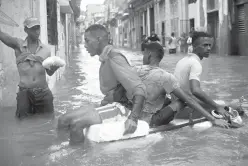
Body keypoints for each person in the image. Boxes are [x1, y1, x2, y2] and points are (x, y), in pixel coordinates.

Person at [58, 24, 147, 144]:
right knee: (63, 120)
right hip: (109, 105)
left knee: (77, 125)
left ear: (98, 39)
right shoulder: (106, 57)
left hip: (121, 108)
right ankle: (62, 152)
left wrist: (133, 118)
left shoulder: (114, 57)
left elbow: (140, 88)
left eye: (87, 41)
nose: (84, 45)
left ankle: (77, 158)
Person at [134, 42, 228, 127]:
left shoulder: (135, 71)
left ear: (149, 54)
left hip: (134, 116)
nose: (143, 56)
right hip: (152, 121)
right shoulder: (165, 77)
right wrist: (213, 119)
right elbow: (188, 99)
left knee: (168, 98)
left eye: (144, 54)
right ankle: (209, 111)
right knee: (182, 100)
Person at [0, 17, 60, 119]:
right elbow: (1, 35)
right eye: (33, 28)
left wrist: (54, 68)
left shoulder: (46, 50)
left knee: (48, 123)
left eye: (38, 28)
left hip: (43, 93)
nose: (37, 31)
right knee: (22, 123)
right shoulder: (18, 45)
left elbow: (49, 73)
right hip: (25, 93)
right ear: (26, 30)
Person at [174, 31, 232, 119]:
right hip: (185, 108)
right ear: (194, 46)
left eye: (210, 45)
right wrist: (216, 107)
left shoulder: (183, 60)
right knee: (233, 108)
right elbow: (195, 90)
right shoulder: (195, 63)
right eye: (205, 45)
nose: (208, 48)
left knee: (222, 105)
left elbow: (187, 93)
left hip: (177, 104)